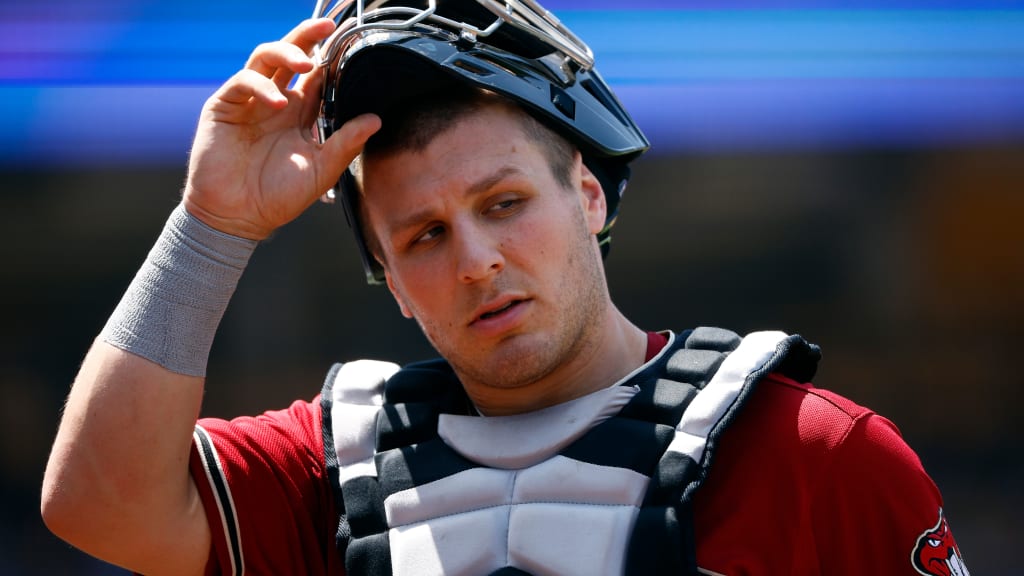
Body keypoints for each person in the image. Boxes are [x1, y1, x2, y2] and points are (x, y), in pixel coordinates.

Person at [41, 1, 971, 575]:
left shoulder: (818, 455)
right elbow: (97, 505)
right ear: (393, 283)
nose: (477, 259)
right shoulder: (326, 475)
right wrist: (214, 226)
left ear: (590, 194)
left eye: (506, 202)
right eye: (427, 235)